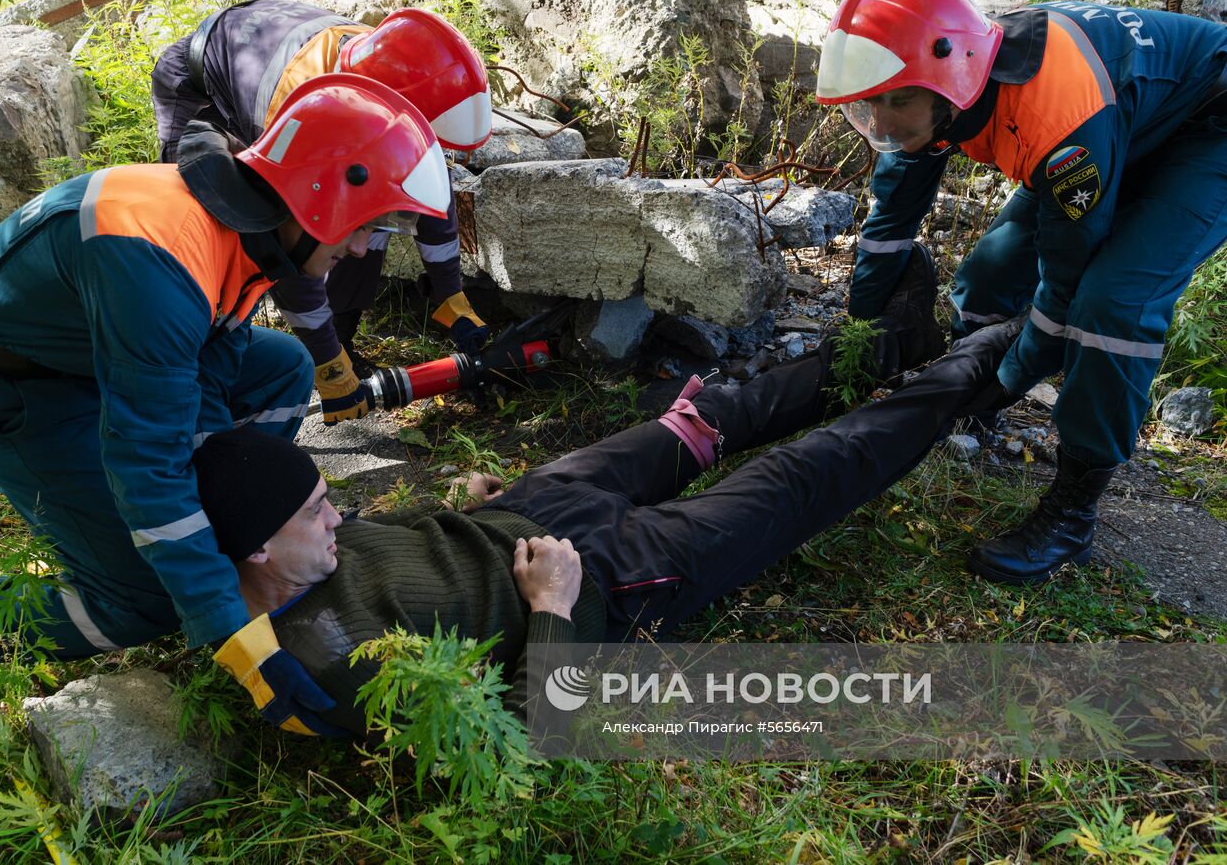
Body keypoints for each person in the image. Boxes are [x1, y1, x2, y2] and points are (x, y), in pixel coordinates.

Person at [194, 248, 1022, 737]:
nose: (339, 513)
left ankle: (904, 337)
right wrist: (553, 608)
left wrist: (465, 510)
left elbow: (402, 546)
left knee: (707, 417)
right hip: (600, 578)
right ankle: (982, 362)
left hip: (534, 505)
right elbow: (524, 734)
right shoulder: (322, 662)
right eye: (316, 511)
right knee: (799, 477)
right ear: (257, 548)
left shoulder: (298, 548)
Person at [0, 73, 451, 696]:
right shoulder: (159, 255)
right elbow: (148, 461)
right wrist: (235, 637)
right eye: (372, 226)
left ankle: (221, 552)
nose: (368, 247)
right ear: (323, 202)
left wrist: (236, 525)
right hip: (11, 386)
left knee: (282, 369)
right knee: (141, 601)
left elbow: (215, 357)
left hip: (97, 359)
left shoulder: (255, 228)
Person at [814, 0, 1227, 585]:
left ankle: (1073, 509)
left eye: (898, 103)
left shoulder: (1054, 121)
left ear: (949, 83)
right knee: (988, 274)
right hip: (1125, 116)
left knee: (1112, 302)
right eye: (873, 104)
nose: (885, 121)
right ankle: (970, 403)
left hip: (1207, 125)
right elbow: (889, 225)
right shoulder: (939, 79)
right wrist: (857, 331)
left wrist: (1013, 372)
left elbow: (1065, 285)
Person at [152, 0, 496, 424]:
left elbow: (426, 189)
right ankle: (204, 379)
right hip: (201, 83)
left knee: (365, 218)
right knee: (223, 236)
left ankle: (341, 337)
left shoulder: (387, 64)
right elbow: (291, 245)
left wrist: (451, 296)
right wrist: (329, 368)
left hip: (262, 50)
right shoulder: (302, 106)